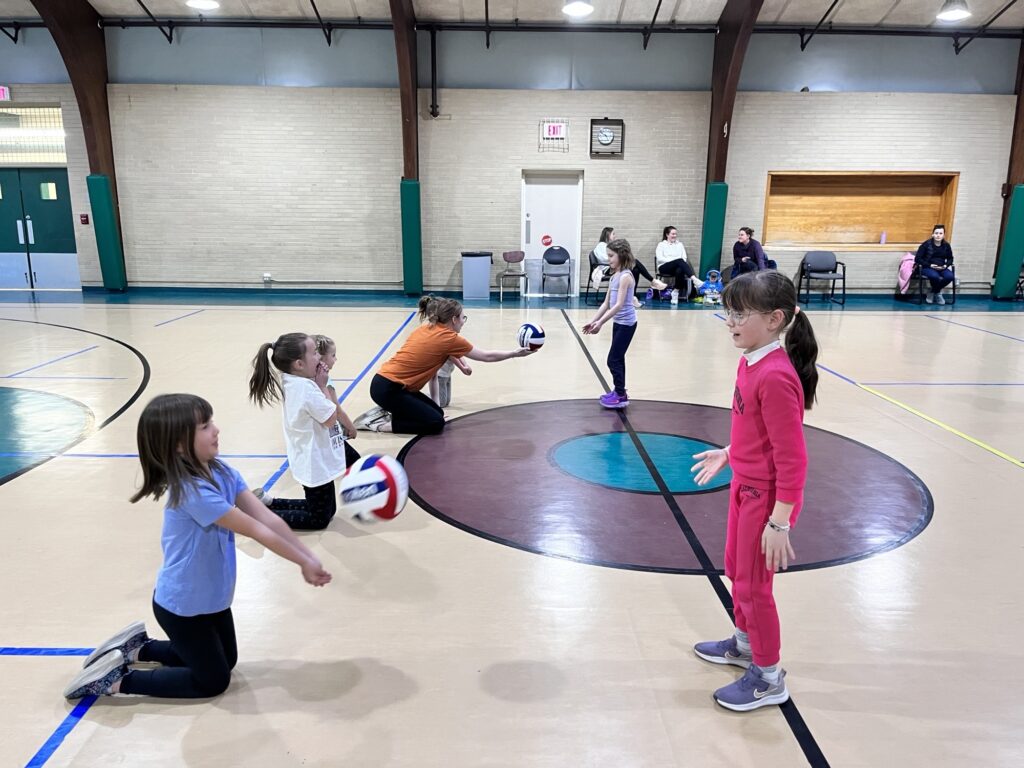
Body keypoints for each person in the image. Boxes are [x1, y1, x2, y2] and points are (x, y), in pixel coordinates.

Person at [62, 394, 331, 701]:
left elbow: (267, 517)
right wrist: (301, 560)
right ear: (178, 444)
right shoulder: (191, 491)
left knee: (226, 662)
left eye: (211, 421)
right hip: (183, 605)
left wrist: (307, 555)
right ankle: (116, 681)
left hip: (212, 597)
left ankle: (139, 647)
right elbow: (255, 529)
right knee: (213, 681)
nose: (215, 429)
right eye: (204, 426)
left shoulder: (222, 471)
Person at [689, 269, 819, 712]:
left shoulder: (778, 376)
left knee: (754, 587)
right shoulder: (751, 360)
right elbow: (758, 431)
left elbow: (792, 457)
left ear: (775, 319)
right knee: (735, 571)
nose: (731, 321)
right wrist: (729, 452)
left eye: (741, 313)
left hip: (766, 501)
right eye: (729, 311)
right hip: (743, 485)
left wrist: (780, 522)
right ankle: (745, 644)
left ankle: (768, 676)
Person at [353, 296, 533, 435]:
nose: (464, 321)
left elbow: (431, 368)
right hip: (390, 389)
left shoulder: (427, 327)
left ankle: (386, 411)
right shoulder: (449, 338)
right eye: (463, 318)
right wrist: (514, 353)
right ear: (454, 319)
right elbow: (486, 356)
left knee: (437, 413)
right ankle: (377, 425)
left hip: (386, 383)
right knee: (434, 423)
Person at [249, 332, 358, 530]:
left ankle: (267, 502)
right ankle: (256, 516)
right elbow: (330, 419)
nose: (319, 357)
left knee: (325, 510)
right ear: (299, 364)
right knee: (319, 519)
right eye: (315, 353)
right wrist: (323, 386)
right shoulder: (307, 389)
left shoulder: (293, 380)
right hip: (313, 461)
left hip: (309, 455)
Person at [583, 239, 638, 409]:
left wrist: (601, 323)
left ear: (621, 255)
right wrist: (593, 321)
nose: (609, 259)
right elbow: (606, 304)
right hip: (618, 322)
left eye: (611, 256)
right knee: (617, 358)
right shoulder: (614, 276)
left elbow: (619, 305)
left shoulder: (626, 277)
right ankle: (619, 391)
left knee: (612, 359)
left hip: (627, 324)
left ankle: (620, 395)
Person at [593, 226, 664, 306]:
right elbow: (607, 258)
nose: (615, 236)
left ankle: (632, 297)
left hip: (614, 266)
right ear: (607, 235)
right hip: (607, 269)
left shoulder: (609, 246)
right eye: (613, 234)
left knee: (636, 270)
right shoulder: (601, 246)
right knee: (635, 261)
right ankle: (653, 281)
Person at [655, 225, 702, 302]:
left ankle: (675, 292)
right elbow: (660, 258)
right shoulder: (661, 245)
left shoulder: (680, 244)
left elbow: (684, 258)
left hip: (677, 267)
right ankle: (694, 279)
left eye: (675, 234)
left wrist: (676, 262)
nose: (675, 236)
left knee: (680, 270)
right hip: (664, 267)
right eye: (673, 234)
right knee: (679, 261)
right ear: (667, 235)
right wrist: (674, 261)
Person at [915, 224, 954, 305]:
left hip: (942, 267)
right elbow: (917, 258)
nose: (938, 235)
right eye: (936, 233)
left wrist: (946, 265)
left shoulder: (946, 246)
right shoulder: (926, 244)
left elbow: (950, 258)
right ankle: (938, 293)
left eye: (940, 233)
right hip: (927, 267)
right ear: (932, 234)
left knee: (950, 276)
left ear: (944, 235)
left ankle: (933, 292)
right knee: (934, 276)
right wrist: (930, 265)